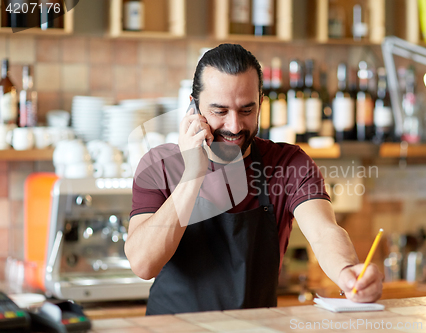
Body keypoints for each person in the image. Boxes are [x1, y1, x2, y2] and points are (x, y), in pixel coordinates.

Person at [125, 43, 383, 315]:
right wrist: (192, 174)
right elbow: (143, 265)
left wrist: (347, 272)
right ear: (193, 107)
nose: (234, 126)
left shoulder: (288, 164)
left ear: (261, 102)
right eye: (220, 111)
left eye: (246, 110)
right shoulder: (159, 166)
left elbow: (323, 232)